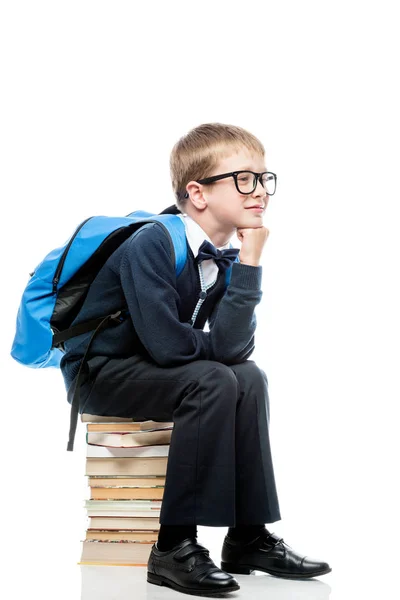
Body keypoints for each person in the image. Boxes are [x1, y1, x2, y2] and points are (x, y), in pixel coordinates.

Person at [60, 122, 331, 596]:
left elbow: (234, 351)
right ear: (197, 193)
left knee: (248, 377)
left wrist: (249, 262)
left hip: (152, 369)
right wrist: (213, 352)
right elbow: (170, 347)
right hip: (101, 372)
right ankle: (173, 547)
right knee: (212, 379)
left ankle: (248, 536)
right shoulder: (152, 242)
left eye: (264, 179)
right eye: (244, 179)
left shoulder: (221, 255)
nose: (259, 192)